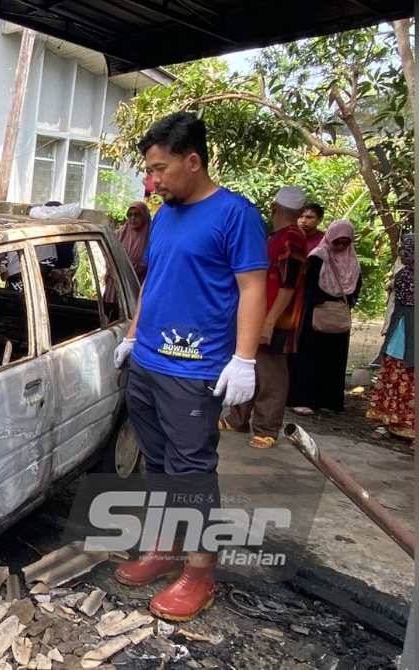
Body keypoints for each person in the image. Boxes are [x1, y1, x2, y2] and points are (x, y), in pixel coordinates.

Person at [112, 112, 267, 622]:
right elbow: (155, 281)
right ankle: (163, 549)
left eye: (159, 169)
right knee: (157, 466)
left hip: (195, 370)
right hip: (150, 363)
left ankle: (199, 575)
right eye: (149, 171)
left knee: (193, 474)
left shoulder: (234, 215)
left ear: (193, 160)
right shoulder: (165, 214)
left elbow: (252, 289)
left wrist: (244, 359)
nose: (151, 182)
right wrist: (134, 336)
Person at [222, 187, 308, 449]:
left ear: (274, 207)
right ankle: (238, 418)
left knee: (271, 373)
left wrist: (270, 321)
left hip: (278, 318)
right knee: (248, 364)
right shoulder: (277, 236)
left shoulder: (291, 238)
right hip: (260, 313)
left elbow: (288, 285)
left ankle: (267, 427)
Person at [287, 220, 363, 416]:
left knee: (334, 360)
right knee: (309, 358)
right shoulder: (318, 257)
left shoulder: (353, 262)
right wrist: (324, 301)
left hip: (337, 316)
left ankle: (329, 400)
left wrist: (339, 302)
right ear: (330, 238)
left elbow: (355, 290)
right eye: (337, 241)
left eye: (345, 243)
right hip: (315, 315)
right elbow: (307, 286)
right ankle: (303, 399)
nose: (340, 246)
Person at [367, 233, 414, 439]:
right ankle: (390, 421)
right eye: (402, 248)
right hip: (400, 331)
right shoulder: (402, 275)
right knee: (395, 373)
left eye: (407, 250)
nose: (402, 253)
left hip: (407, 331)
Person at [105, 201, 152, 305]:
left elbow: (148, 263)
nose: (133, 218)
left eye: (137, 215)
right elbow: (109, 256)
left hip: (135, 285)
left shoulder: (151, 238)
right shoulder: (119, 235)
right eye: (130, 215)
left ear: (144, 216)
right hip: (115, 286)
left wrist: (128, 270)